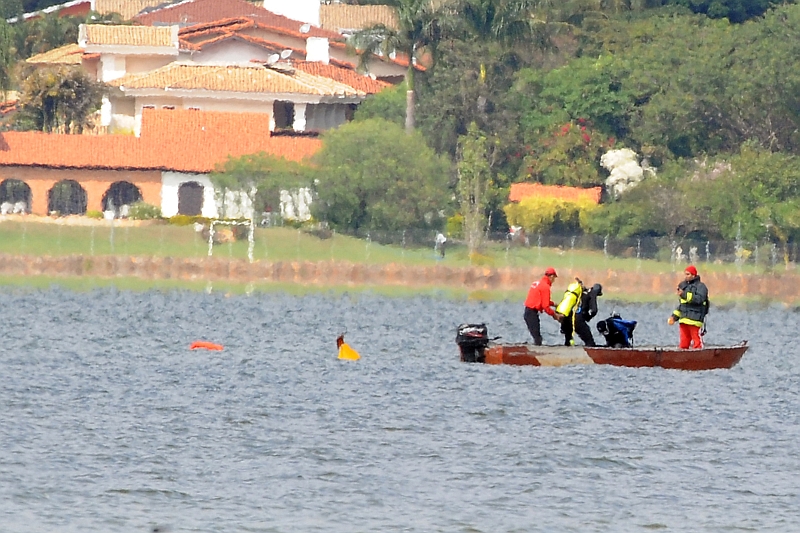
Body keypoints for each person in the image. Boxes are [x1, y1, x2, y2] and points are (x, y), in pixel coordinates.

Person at [667, 265, 709, 349]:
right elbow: (682, 306)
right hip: (684, 319)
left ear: (694, 275)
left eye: (688, 274)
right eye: (685, 274)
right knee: (684, 341)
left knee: (697, 340)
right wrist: (674, 317)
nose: (686, 276)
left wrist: (684, 295)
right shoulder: (683, 286)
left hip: (695, 319)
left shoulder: (701, 287)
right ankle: (683, 356)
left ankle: (699, 355)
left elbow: (699, 299)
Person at [524, 267, 560, 345]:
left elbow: (539, 299)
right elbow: (545, 306)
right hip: (531, 313)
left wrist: (554, 304)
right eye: (554, 278)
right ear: (551, 276)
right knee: (537, 338)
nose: (554, 281)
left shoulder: (537, 283)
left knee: (536, 336)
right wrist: (555, 315)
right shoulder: (545, 287)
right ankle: (536, 354)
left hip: (528, 311)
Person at [556, 278, 585, 346]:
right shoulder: (579, 291)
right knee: (569, 330)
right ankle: (569, 344)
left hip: (561, 309)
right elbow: (577, 304)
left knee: (567, 330)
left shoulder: (571, 288)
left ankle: (567, 341)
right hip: (566, 312)